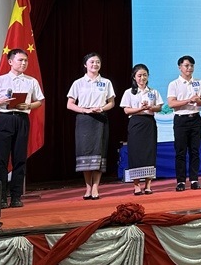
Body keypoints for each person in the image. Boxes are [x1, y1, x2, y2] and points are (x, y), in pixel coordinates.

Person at [0, 48, 44, 208]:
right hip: (4, 119)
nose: (23, 63)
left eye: (26, 60)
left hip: (22, 119)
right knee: (1, 159)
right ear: (10, 61)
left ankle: (16, 196)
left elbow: (39, 101)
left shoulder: (31, 81)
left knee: (19, 158)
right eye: (20, 60)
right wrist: (1, 101)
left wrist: (29, 105)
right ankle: (1, 197)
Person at [66, 52, 115, 200]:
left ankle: (95, 187)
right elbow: (70, 104)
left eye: (97, 62)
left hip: (100, 119)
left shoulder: (106, 82)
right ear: (85, 65)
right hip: (84, 120)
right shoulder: (78, 83)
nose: (95, 64)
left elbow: (111, 103)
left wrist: (102, 108)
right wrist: (84, 110)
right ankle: (87, 187)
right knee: (85, 153)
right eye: (92, 62)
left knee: (100, 153)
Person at [120, 64, 163, 195]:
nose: (142, 78)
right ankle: (136, 185)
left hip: (149, 123)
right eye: (139, 75)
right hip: (135, 123)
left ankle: (148, 185)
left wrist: (150, 107)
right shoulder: (129, 92)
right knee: (135, 152)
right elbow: (126, 110)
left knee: (150, 152)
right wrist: (140, 109)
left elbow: (159, 107)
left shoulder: (153, 92)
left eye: (145, 75)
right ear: (134, 77)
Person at [167, 55, 201, 192]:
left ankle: (194, 180)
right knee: (181, 151)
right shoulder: (174, 84)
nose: (189, 68)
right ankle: (181, 181)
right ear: (180, 67)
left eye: (191, 66)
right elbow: (171, 103)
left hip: (195, 118)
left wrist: (197, 100)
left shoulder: (199, 82)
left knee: (195, 151)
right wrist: (188, 100)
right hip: (181, 120)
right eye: (186, 65)